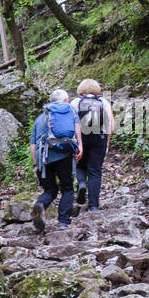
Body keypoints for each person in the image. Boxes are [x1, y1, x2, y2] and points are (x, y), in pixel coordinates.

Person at [30, 89, 82, 232]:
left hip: (43, 158)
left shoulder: (40, 118)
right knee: (67, 188)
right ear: (65, 100)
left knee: (50, 190)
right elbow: (77, 130)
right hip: (63, 155)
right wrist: (80, 146)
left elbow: (33, 145)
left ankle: (39, 206)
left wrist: (36, 164)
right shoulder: (70, 112)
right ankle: (63, 223)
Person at [70, 78, 114, 212]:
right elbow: (110, 125)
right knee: (95, 171)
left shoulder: (75, 102)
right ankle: (94, 205)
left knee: (79, 164)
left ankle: (82, 183)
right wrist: (107, 143)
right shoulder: (103, 102)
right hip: (98, 138)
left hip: (81, 138)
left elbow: (70, 123)